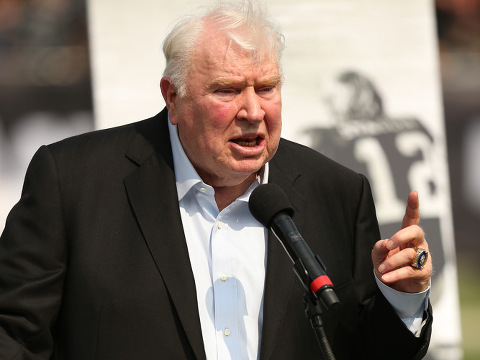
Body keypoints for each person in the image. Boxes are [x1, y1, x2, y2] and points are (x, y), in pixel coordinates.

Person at [0, 1, 432, 359]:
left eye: (266, 88)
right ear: (173, 97)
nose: (253, 111)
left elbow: (365, 350)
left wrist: (403, 299)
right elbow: (15, 336)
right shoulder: (72, 180)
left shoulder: (337, 191)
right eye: (226, 91)